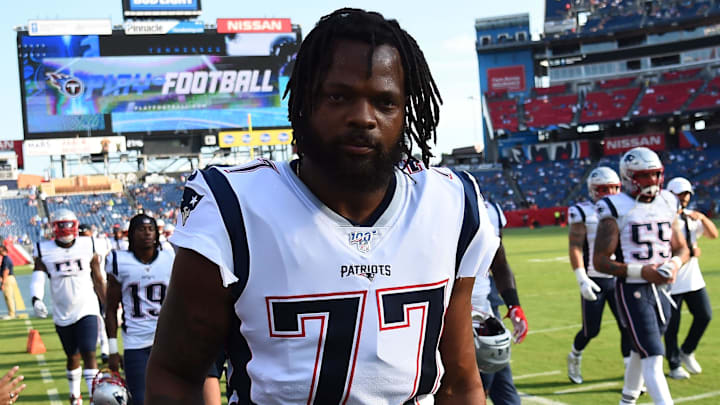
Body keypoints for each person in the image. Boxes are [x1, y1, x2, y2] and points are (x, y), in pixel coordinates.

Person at [146, 8, 499, 404]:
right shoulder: (235, 208)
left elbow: (460, 382)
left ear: (405, 114)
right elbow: (176, 375)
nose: (363, 118)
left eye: (385, 102)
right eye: (338, 96)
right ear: (303, 102)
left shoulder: (449, 206)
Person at [593, 147, 690, 405]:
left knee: (642, 349)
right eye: (644, 176)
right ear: (628, 176)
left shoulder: (669, 201)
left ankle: (626, 401)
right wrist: (641, 271)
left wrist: (675, 264)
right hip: (633, 290)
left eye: (655, 174)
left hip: (662, 290)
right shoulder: (614, 206)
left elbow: (682, 247)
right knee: (654, 357)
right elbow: (600, 261)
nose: (652, 182)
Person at [31, 209, 107, 405]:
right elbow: (38, 275)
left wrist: (107, 304)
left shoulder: (87, 244)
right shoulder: (43, 249)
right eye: (61, 225)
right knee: (72, 356)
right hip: (62, 311)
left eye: (68, 224)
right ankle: (75, 395)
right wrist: (35, 298)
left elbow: (98, 278)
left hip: (86, 307)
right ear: (54, 227)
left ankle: (94, 397)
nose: (65, 229)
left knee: (89, 352)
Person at [566, 167, 632, 384]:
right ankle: (574, 356)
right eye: (604, 189)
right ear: (593, 190)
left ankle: (631, 374)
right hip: (594, 278)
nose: (610, 193)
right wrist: (581, 278)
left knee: (627, 327)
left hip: (619, 277)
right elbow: (575, 246)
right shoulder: (583, 211)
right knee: (591, 330)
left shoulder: (625, 209)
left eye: (614, 188)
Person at [105, 214, 175, 405]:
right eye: (141, 229)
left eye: (150, 229)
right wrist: (112, 349)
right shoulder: (119, 261)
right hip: (136, 342)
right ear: (131, 234)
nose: (146, 233)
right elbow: (110, 308)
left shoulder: (170, 257)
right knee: (141, 399)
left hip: (169, 340)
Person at [472, 198, 528, 404]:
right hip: (449, 312)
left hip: (483, 308)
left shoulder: (490, 208)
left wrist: (514, 306)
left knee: (499, 377)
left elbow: (499, 260)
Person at [664, 177, 717, 379]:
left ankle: (687, 351)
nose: (684, 198)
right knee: (672, 326)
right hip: (672, 281)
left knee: (705, 315)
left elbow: (713, 235)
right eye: (680, 194)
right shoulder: (663, 218)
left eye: (686, 194)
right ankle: (674, 363)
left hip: (693, 279)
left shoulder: (690, 218)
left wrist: (702, 218)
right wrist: (690, 250)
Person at [80, 224, 112, 363]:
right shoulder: (78, 247)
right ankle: (103, 348)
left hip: (101, 283)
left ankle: (107, 348)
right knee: (96, 318)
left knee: (105, 316)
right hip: (86, 287)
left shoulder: (101, 243)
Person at [1, 245, 18, 320]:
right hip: (8, 278)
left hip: (8, 278)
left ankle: (12, 314)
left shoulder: (6, 259)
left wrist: (3, 283)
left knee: (8, 296)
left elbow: (6, 271)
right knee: (8, 296)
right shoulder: (5, 258)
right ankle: (11, 312)